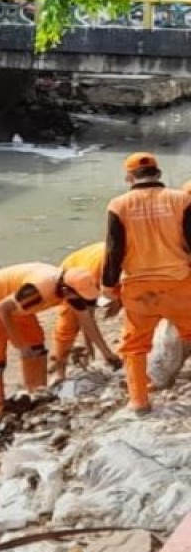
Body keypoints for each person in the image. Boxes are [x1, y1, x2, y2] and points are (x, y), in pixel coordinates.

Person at [102, 152, 191, 414]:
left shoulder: (118, 205)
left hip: (139, 288)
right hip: (179, 283)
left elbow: (113, 249)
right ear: (159, 174)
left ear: (129, 177)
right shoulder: (181, 200)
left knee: (134, 345)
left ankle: (138, 401)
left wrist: (109, 287)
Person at [0, 262, 102, 415]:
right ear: (66, 290)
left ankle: (36, 394)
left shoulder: (70, 288)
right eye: (81, 296)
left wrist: (106, 353)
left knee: (36, 345)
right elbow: (2, 309)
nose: (84, 301)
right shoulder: (36, 290)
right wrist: (19, 344)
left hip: (16, 304)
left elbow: (86, 321)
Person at [51, 242, 123, 383]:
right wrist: (104, 352)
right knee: (68, 326)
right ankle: (60, 372)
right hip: (74, 275)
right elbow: (86, 318)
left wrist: (118, 301)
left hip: (101, 280)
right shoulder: (94, 273)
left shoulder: (133, 259)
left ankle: (109, 355)